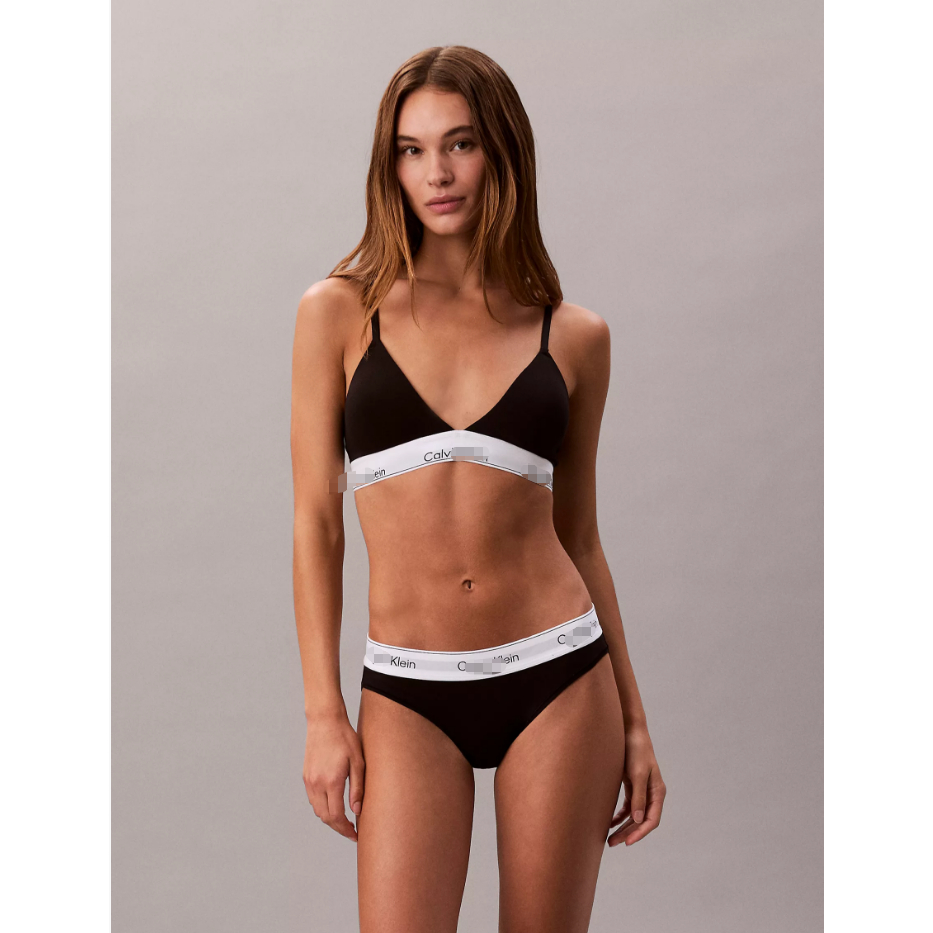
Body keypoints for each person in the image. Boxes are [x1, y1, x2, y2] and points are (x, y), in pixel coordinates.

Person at [290, 44, 666, 933]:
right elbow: (315, 522)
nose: (437, 172)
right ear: (390, 166)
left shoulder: (573, 336)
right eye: (411, 150)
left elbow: (580, 537)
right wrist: (322, 712)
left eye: (458, 143)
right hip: (407, 688)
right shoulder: (338, 313)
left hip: (559, 674)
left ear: (500, 151)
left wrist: (635, 721)